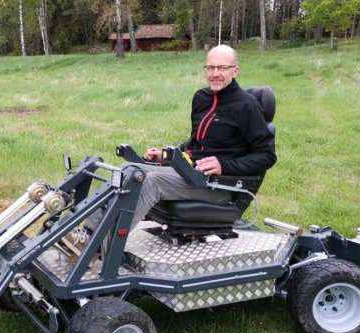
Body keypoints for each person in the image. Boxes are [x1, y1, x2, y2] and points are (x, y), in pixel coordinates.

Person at [63, 45, 276, 256]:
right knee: (129, 168)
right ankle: (88, 231)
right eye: (210, 68)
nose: (215, 74)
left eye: (221, 68)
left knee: (149, 181)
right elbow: (196, 143)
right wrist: (168, 156)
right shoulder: (202, 98)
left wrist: (224, 165)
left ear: (234, 70)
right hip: (191, 176)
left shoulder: (247, 106)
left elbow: (266, 155)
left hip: (218, 186)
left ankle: (94, 242)